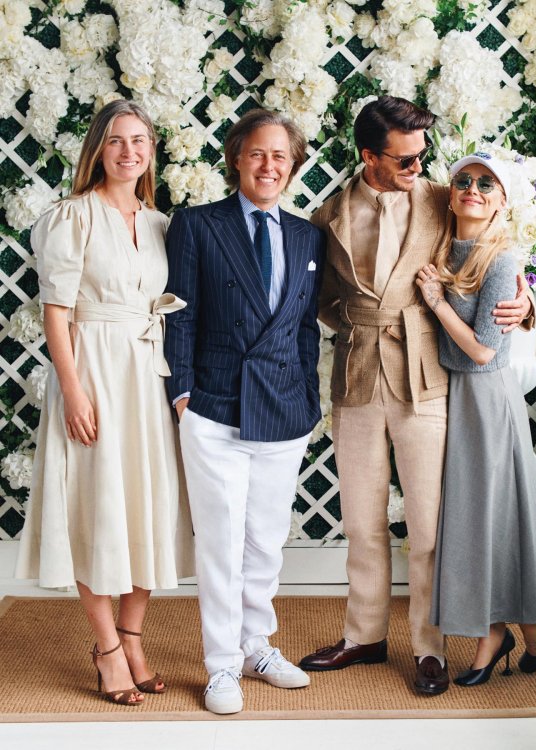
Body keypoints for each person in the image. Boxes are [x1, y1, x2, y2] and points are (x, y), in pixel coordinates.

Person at [299, 96, 533, 695]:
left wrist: (527, 300)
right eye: (404, 160)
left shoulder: (439, 198)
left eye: (421, 156)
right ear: (369, 157)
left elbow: (495, 246)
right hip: (356, 378)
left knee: (428, 527)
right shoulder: (329, 216)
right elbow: (317, 297)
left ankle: (430, 647)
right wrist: (357, 325)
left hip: (426, 380)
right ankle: (363, 637)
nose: (418, 167)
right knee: (361, 523)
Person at [16, 100, 194, 706]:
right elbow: (56, 313)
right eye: (116, 140)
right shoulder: (73, 217)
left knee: (147, 502)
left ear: (151, 151)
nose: (128, 151)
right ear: (98, 148)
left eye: (139, 140)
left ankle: (133, 637)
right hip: (92, 369)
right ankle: (107, 649)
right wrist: (72, 390)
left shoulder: (161, 223)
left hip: (148, 372)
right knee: (95, 504)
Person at [164, 109, 324, 715]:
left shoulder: (307, 236)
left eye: (280, 156)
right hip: (214, 405)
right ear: (236, 158)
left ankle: (257, 645)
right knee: (221, 543)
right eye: (258, 153)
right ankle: (221, 666)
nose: (269, 165)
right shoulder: (198, 224)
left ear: (293, 165)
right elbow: (179, 311)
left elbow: (304, 328)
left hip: (283, 408)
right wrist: (182, 392)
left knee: (265, 542)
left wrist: (307, 398)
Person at [416, 153, 536, 686]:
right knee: (476, 519)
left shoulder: (500, 260)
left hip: (487, 399)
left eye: (486, 184)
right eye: (464, 180)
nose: (473, 190)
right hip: (456, 395)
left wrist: (437, 302)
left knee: (494, 517)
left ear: (503, 200)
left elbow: (482, 349)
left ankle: (503, 630)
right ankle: (519, 624)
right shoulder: (443, 245)